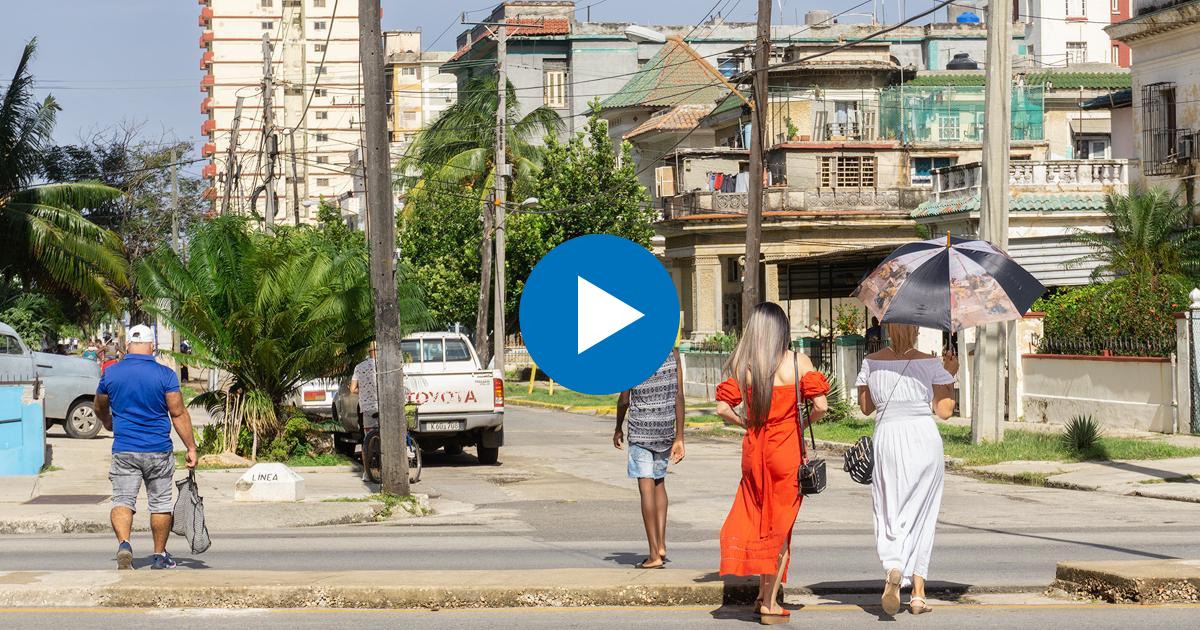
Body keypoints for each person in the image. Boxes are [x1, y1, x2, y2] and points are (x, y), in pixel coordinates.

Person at [715, 303, 829, 624]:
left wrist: (747, 423)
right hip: (786, 450)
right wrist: (801, 424)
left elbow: (723, 409)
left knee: (761, 519)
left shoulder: (744, 363)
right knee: (781, 528)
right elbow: (820, 405)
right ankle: (770, 605)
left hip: (754, 449)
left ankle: (762, 594)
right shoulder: (797, 361)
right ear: (782, 329)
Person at [854, 323, 958, 616]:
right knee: (923, 514)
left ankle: (894, 567)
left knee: (890, 509)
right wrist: (950, 373)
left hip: (888, 438)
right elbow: (945, 411)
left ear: (887, 327)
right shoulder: (930, 361)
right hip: (923, 439)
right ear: (915, 328)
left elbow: (865, 407)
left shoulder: (872, 362)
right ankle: (919, 595)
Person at [95, 324, 197, 570]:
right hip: (158, 450)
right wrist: (191, 447)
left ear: (127, 345)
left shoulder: (110, 374)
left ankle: (125, 544)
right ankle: (159, 555)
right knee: (160, 503)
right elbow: (178, 412)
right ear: (152, 346)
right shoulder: (165, 375)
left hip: (125, 449)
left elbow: (98, 405)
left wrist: (108, 421)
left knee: (122, 500)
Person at [613, 348, 685, 570]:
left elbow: (624, 399)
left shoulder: (631, 357)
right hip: (665, 429)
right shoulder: (672, 354)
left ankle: (654, 553)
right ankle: (661, 544)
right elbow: (678, 396)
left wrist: (617, 427)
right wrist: (679, 437)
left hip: (641, 430)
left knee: (646, 488)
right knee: (659, 482)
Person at [350, 342, 378, 481]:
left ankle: (367, 473)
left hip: (367, 408)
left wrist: (365, 392)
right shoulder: (384, 365)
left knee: (367, 440)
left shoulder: (359, 367)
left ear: (368, 351)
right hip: (384, 406)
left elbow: (352, 389)